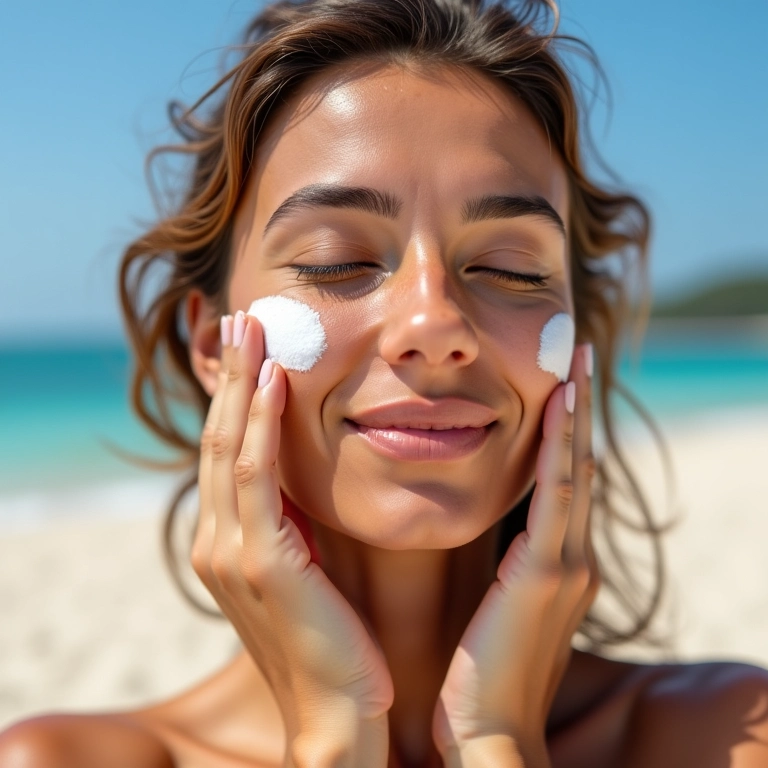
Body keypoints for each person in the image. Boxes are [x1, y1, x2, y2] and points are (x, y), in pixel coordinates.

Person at [2, 0, 767, 765]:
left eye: (511, 268)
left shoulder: (728, 734)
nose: (433, 323)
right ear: (213, 344)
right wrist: (334, 740)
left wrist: (497, 740)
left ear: (577, 344)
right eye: (336, 259)